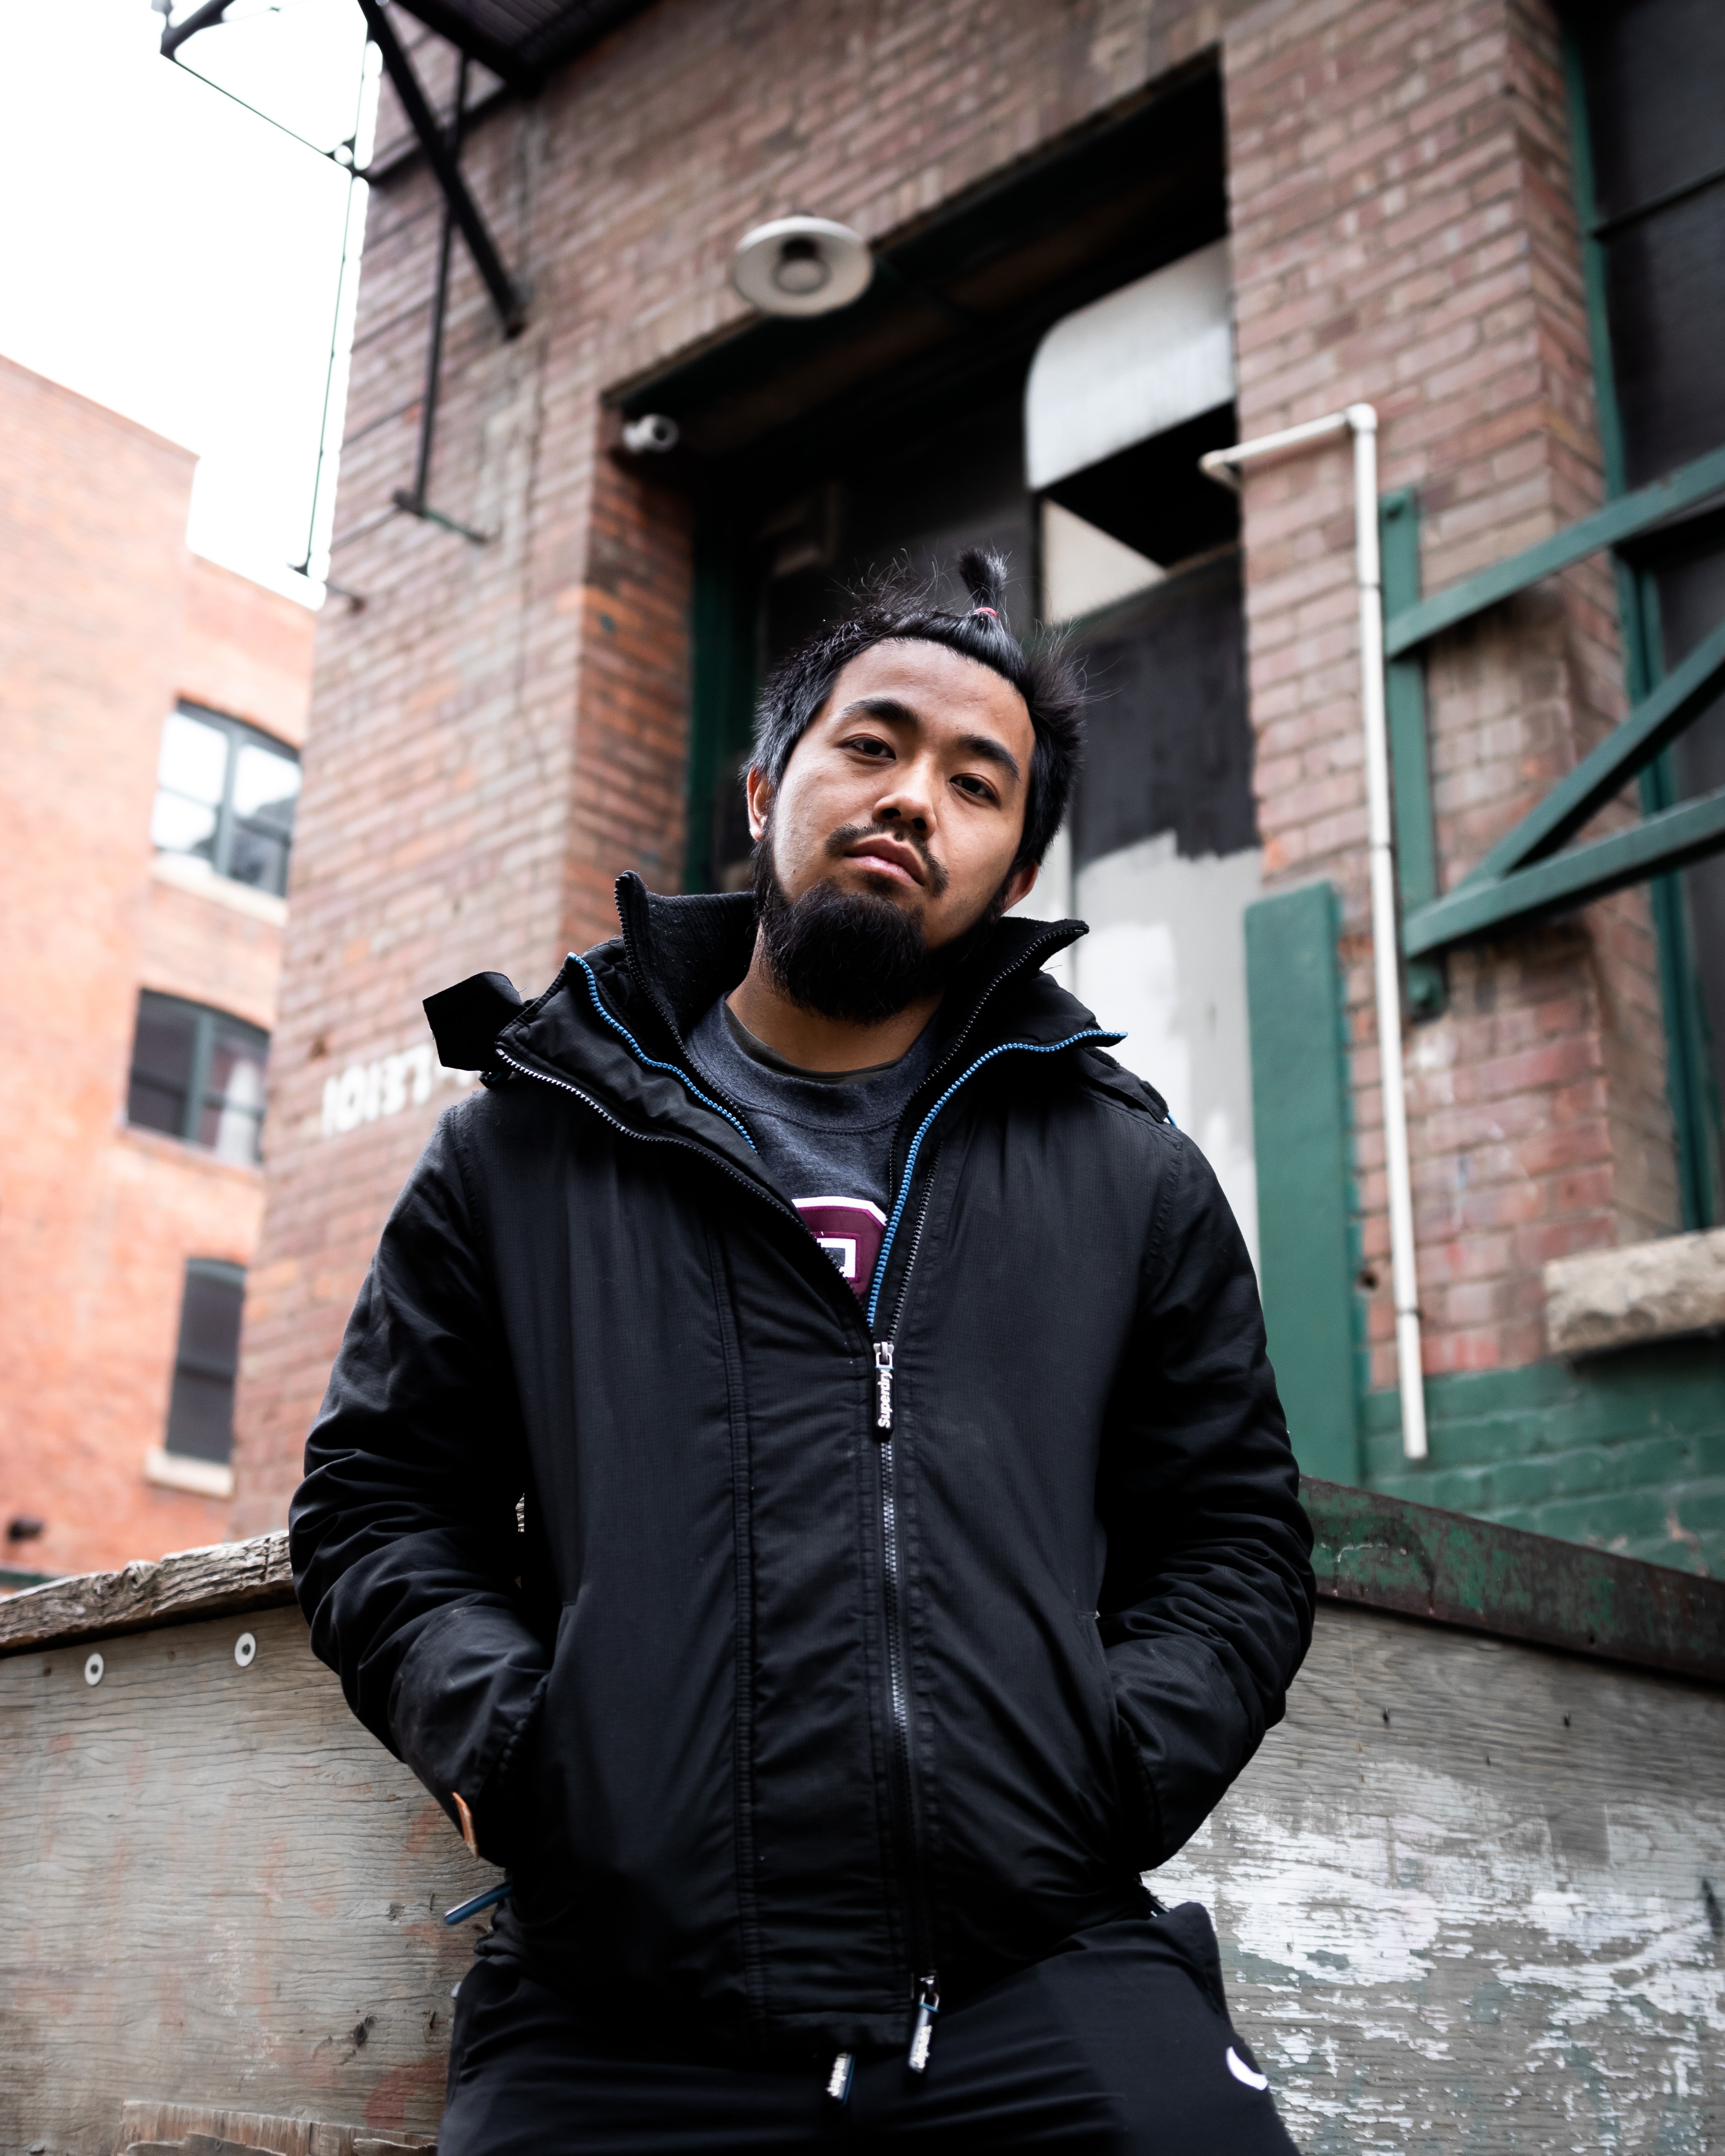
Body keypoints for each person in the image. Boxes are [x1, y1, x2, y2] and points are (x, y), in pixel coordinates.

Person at [291, 550, 1314, 2153]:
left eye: (977, 785)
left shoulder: (1126, 1172)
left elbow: (1234, 1540)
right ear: (767, 785)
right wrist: (523, 1759)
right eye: (871, 745)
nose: (914, 798)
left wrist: (1105, 1774)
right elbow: (380, 1506)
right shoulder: (525, 1149)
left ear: (1006, 874)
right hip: (620, 2000)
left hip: (1028, 1967)